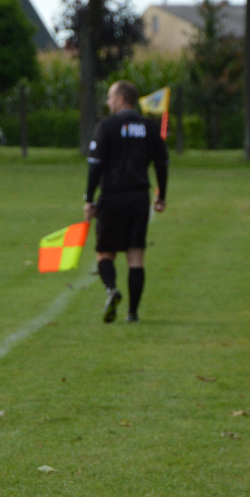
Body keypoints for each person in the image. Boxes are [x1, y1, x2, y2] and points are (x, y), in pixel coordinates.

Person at [85, 81, 169, 323]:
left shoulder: (107, 126)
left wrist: (89, 199)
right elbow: (162, 164)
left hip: (112, 197)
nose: (108, 102)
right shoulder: (150, 127)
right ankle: (132, 313)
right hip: (139, 198)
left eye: (111, 97)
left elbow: (95, 166)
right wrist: (161, 196)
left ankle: (112, 290)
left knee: (105, 253)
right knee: (136, 256)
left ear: (121, 99)